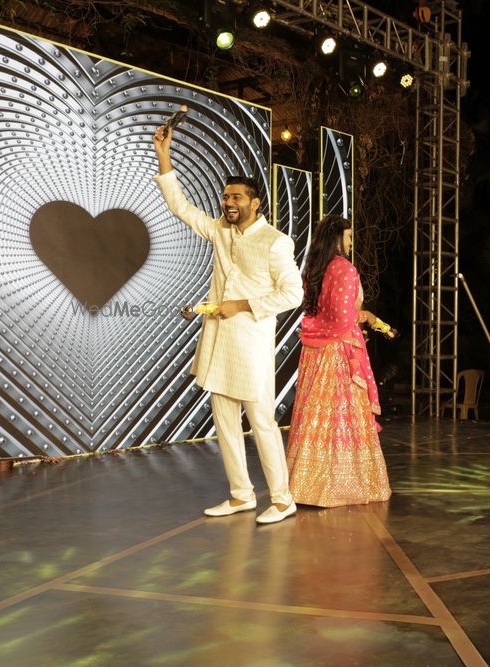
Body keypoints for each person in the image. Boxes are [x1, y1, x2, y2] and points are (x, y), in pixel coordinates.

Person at [153, 126, 303, 524]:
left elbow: (293, 294)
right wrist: (164, 156)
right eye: (225, 196)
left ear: (256, 202)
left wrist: (242, 305)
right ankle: (241, 495)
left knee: (262, 422)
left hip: (251, 342)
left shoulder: (275, 241)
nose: (228, 202)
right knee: (223, 422)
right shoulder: (220, 230)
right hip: (218, 340)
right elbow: (181, 208)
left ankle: (283, 499)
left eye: (236, 197)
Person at [286, 216, 391, 508]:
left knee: (314, 416)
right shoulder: (344, 269)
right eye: (348, 237)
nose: (350, 242)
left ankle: (305, 484)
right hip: (338, 352)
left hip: (313, 351)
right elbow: (344, 318)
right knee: (342, 417)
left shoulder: (313, 270)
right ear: (336, 238)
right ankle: (342, 486)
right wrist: (366, 317)